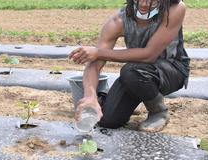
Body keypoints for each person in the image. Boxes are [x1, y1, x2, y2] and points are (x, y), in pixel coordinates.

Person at [68, 0, 190, 132]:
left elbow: (149, 55)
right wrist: (89, 95)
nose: (144, 4)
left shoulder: (174, 9)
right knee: (108, 120)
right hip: (137, 74)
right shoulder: (117, 21)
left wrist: (98, 52)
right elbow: (95, 64)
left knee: (130, 71)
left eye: (152, 1)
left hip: (172, 70)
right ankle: (122, 98)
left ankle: (158, 111)